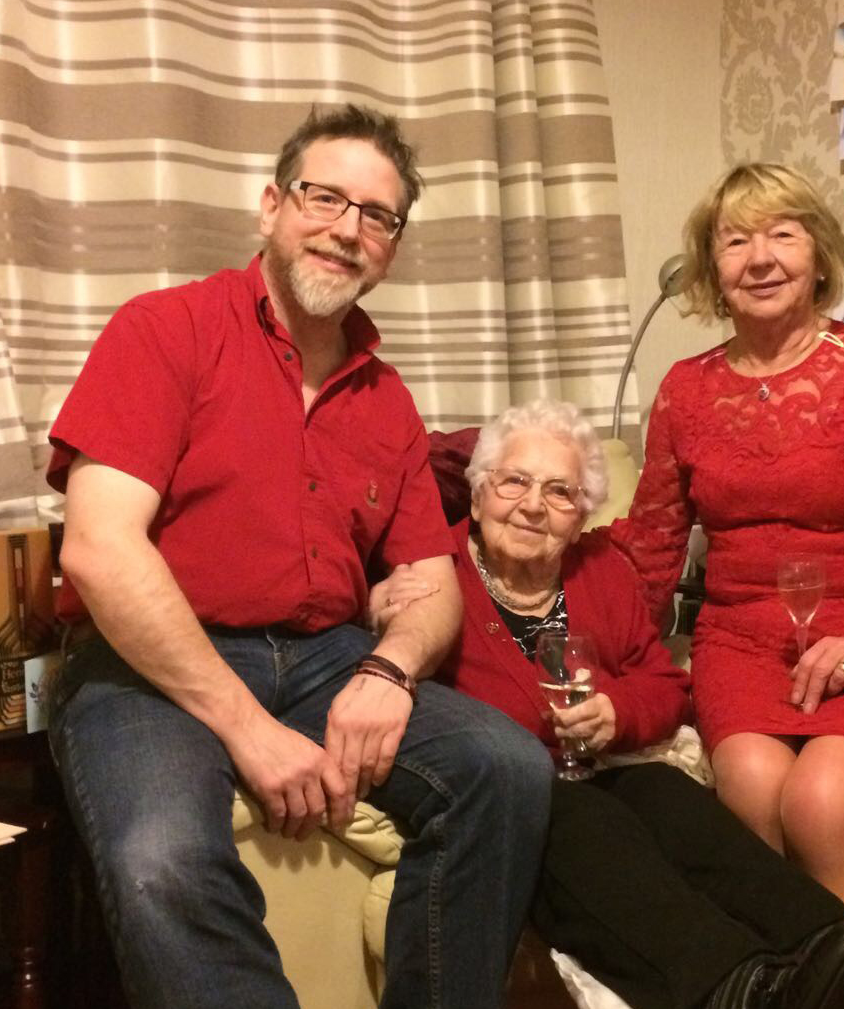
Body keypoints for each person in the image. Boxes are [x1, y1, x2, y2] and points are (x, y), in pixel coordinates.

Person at [44, 104, 553, 1009]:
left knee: (506, 769)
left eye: (377, 216)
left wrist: (391, 670)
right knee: (162, 855)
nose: (347, 229)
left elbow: (431, 580)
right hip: (148, 663)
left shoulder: (386, 397)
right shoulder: (166, 329)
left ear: (392, 247)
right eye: (326, 198)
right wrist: (249, 729)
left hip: (325, 655)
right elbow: (99, 548)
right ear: (273, 206)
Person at [374, 400, 844, 1009]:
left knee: (665, 792)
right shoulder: (432, 579)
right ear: (478, 497)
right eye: (514, 482)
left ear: (580, 517)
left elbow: (665, 687)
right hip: (519, 792)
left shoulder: (600, 571)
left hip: (600, 765)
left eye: (560, 492)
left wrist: (617, 710)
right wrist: (378, 610)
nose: (534, 505)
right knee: (577, 813)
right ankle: (739, 987)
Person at [607, 163, 844, 946]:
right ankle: (809, 987)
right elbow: (649, 549)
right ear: (712, 267)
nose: (760, 258)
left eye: (782, 234)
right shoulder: (684, 391)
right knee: (753, 792)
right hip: (741, 645)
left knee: (823, 803)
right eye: (735, 240)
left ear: (818, 254)